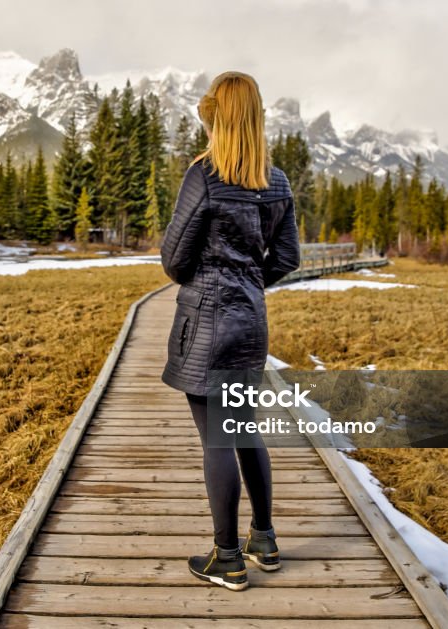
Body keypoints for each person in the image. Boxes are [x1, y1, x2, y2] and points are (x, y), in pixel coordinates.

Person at [159, 71, 301, 591]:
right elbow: (286, 257)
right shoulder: (278, 182)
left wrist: (213, 279)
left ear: (215, 116)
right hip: (250, 323)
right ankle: (263, 540)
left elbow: (173, 259)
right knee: (244, 430)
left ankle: (227, 557)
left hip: (208, 324)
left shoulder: (204, 176)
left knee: (216, 439)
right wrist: (246, 282)